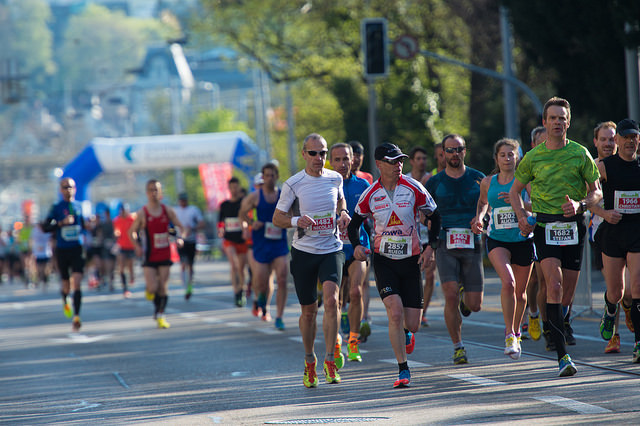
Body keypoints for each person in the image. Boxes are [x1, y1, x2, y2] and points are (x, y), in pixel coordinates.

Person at [510, 96, 601, 377]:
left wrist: (581, 205)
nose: (558, 122)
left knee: (567, 294)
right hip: (545, 227)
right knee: (554, 284)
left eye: (562, 118)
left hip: (573, 224)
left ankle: (556, 325)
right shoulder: (533, 158)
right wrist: (522, 218)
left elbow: (597, 191)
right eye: (553, 118)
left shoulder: (580, 153)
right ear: (545, 122)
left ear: (568, 122)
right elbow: (514, 192)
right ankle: (563, 356)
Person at [349, 143, 439, 388]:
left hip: (411, 261)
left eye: (400, 160)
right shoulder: (370, 194)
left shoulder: (413, 188)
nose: (398, 165)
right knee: (395, 312)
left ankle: (408, 333)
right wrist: (357, 246)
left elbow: (434, 216)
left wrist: (431, 247)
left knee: (413, 324)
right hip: (384, 261)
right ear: (379, 164)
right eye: (392, 161)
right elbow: (353, 224)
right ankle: (403, 369)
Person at [273, 133, 350, 388]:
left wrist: (343, 213)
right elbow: (278, 218)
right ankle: (309, 361)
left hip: (331, 248)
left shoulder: (335, 177)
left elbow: (340, 199)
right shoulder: (293, 184)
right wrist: (297, 221)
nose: (320, 158)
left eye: (323, 153)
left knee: (331, 301)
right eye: (314, 153)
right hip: (304, 252)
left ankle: (330, 359)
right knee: (308, 312)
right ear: (304, 154)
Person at [425, 134, 485, 365]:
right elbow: (424, 210)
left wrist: (481, 218)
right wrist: (428, 225)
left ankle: (464, 298)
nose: (454, 154)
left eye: (458, 149)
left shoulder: (478, 178)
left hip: (472, 244)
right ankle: (458, 346)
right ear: (443, 153)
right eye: (449, 150)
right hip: (445, 243)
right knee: (449, 294)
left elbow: (486, 202)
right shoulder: (434, 182)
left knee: (475, 305)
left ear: (464, 151)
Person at [472, 139, 534, 359]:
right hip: (497, 239)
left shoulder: (524, 181)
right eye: (503, 155)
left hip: (523, 238)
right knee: (508, 283)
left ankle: (517, 330)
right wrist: (479, 218)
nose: (507, 158)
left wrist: (517, 202)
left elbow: (537, 205)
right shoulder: (488, 182)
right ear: (496, 158)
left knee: (521, 293)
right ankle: (509, 333)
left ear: (517, 157)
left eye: (511, 154)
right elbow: (482, 202)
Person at [590, 118, 640, 362]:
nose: (630, 142)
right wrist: (603, 213)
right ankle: (611, 310)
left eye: (634, 138)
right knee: (617, 292)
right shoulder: (604, 166)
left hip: (637, 232)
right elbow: (587, 197)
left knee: (637, 288)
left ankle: (638, 343)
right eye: (625, 138)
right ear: (618, 141)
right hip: (613, 232)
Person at [329, 143, 370, 362]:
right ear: (330, 162)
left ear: (353, 160)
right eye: (338, 159)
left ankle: (353, 341)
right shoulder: (323, 185)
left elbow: (376, 214)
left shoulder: (362, 185)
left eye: (346, 159)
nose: (343, 164)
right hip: (331, 249)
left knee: (355, 292)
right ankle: (336, 341)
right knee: (334, 300)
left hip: (356, 247)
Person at [239, 164, 289, 330]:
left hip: (279, 243)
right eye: (266, 175)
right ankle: (261, 296)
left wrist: (288, 221)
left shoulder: (284, 195)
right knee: (261, 279)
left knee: (282, 278)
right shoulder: (255, 196)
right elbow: (242, 213)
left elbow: (293, 212)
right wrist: (252, 223)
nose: (269, 178)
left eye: (272, 175)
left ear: (276, 176)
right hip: (261, 242)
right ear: (263, 177)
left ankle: (279, 316)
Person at [129, 179, 184, 329]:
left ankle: (160, 314)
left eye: (156, 190)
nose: (154, 193)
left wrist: (179, 238)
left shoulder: (167, 211)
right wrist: (137, 246)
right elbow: (131, 232)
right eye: (151, 190)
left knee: (163, 287)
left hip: (165, 253)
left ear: (161, 193)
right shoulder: (143, 213)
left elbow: (181, 227)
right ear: (147, 193)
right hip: (149, 254)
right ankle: (153, 299)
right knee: (153, 287)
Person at [42, 178, 86, 332]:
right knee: (66, 284)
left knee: (78, 283)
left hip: (77, 249)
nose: (68, 190)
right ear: (60, 190)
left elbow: (86, 226)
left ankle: (77, 317)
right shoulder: (56, 208)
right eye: (65, 187)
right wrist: (60, 223)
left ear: (75, 189)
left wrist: (90, 225)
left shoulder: (80, 206)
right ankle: (65, 299)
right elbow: (45, 227)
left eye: (71, 187)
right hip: (62, 250)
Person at [406, 146, 437, 328]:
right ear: (411, 161)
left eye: (424, 158)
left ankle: (423, 312)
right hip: (410, 235)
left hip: (427, 233)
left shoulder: (431, 180)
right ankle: (413, 309)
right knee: (414, 274)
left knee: (431, 274)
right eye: (418, 158)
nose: (422, 162)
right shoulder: (406, 180)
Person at [522, 126, 547, 344]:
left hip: (554, 225)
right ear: (533, 145)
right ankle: (533, 313)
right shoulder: (528, 164)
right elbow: (525, 199)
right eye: (541, 142)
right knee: (535, 278)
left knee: (550, 280)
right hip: (532, 225)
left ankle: (559, 323)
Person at [218, 177, 249, 307]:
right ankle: (236, 291)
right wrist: (220, 230)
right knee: (234, 265)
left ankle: (242, 290)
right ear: (229, 189)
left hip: (241, 240)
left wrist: (246, 228)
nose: (234, 190)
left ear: (239, 187)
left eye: (236, 187)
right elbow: (220, 221)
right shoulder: (224, 205)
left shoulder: (244, 202)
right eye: (232, 187)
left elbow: (248, 217)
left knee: (241, 269)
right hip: (229, 239)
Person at [174, 192, 205, 300]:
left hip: (191, 240)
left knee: (190, 265)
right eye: (181, 200)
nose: (183, 202)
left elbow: (202, 223)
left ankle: (190, 286)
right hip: (180, 241)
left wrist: (193, 228)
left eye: (184, 200)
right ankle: (185, 285)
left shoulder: (193, 210)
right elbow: (171, 225)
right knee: (183, 263)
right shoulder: (175, 211)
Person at [113, 203, 136, 298]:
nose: (123, 212)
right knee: (121, 267)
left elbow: (135, 230)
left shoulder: (132, 219)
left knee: (130, 265)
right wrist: (116, 233)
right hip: (122, 246)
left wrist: (135, 236)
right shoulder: (116, 220)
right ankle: (125, 288)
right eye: (122, 211)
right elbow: (116, 230)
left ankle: (132, 277)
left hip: (131, 245)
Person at [30, 222, 53, 290]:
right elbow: (31, 240)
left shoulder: (47, 230)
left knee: (46, 269)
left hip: (46, 252)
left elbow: (50, 239)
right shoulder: (35, 230)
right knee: (39, 269)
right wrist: (32, 250)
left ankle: (45, 280)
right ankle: (40, 280)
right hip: (38, 253)